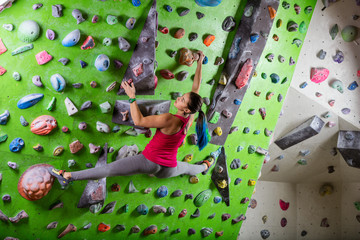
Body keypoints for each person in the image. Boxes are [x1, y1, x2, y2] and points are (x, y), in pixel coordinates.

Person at [49, 50, 215, 188]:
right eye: (183, 96)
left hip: (150, 162)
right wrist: (199, 62)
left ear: (185, 108)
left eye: (182, 100)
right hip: (169, 168)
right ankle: (206, 166)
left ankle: (68, 176)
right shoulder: (190, 117)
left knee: (109, 169)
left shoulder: (169, 119)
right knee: (189, 168)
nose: (179, 98)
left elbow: (139, 122)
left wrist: (132, 97)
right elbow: (196, 88)